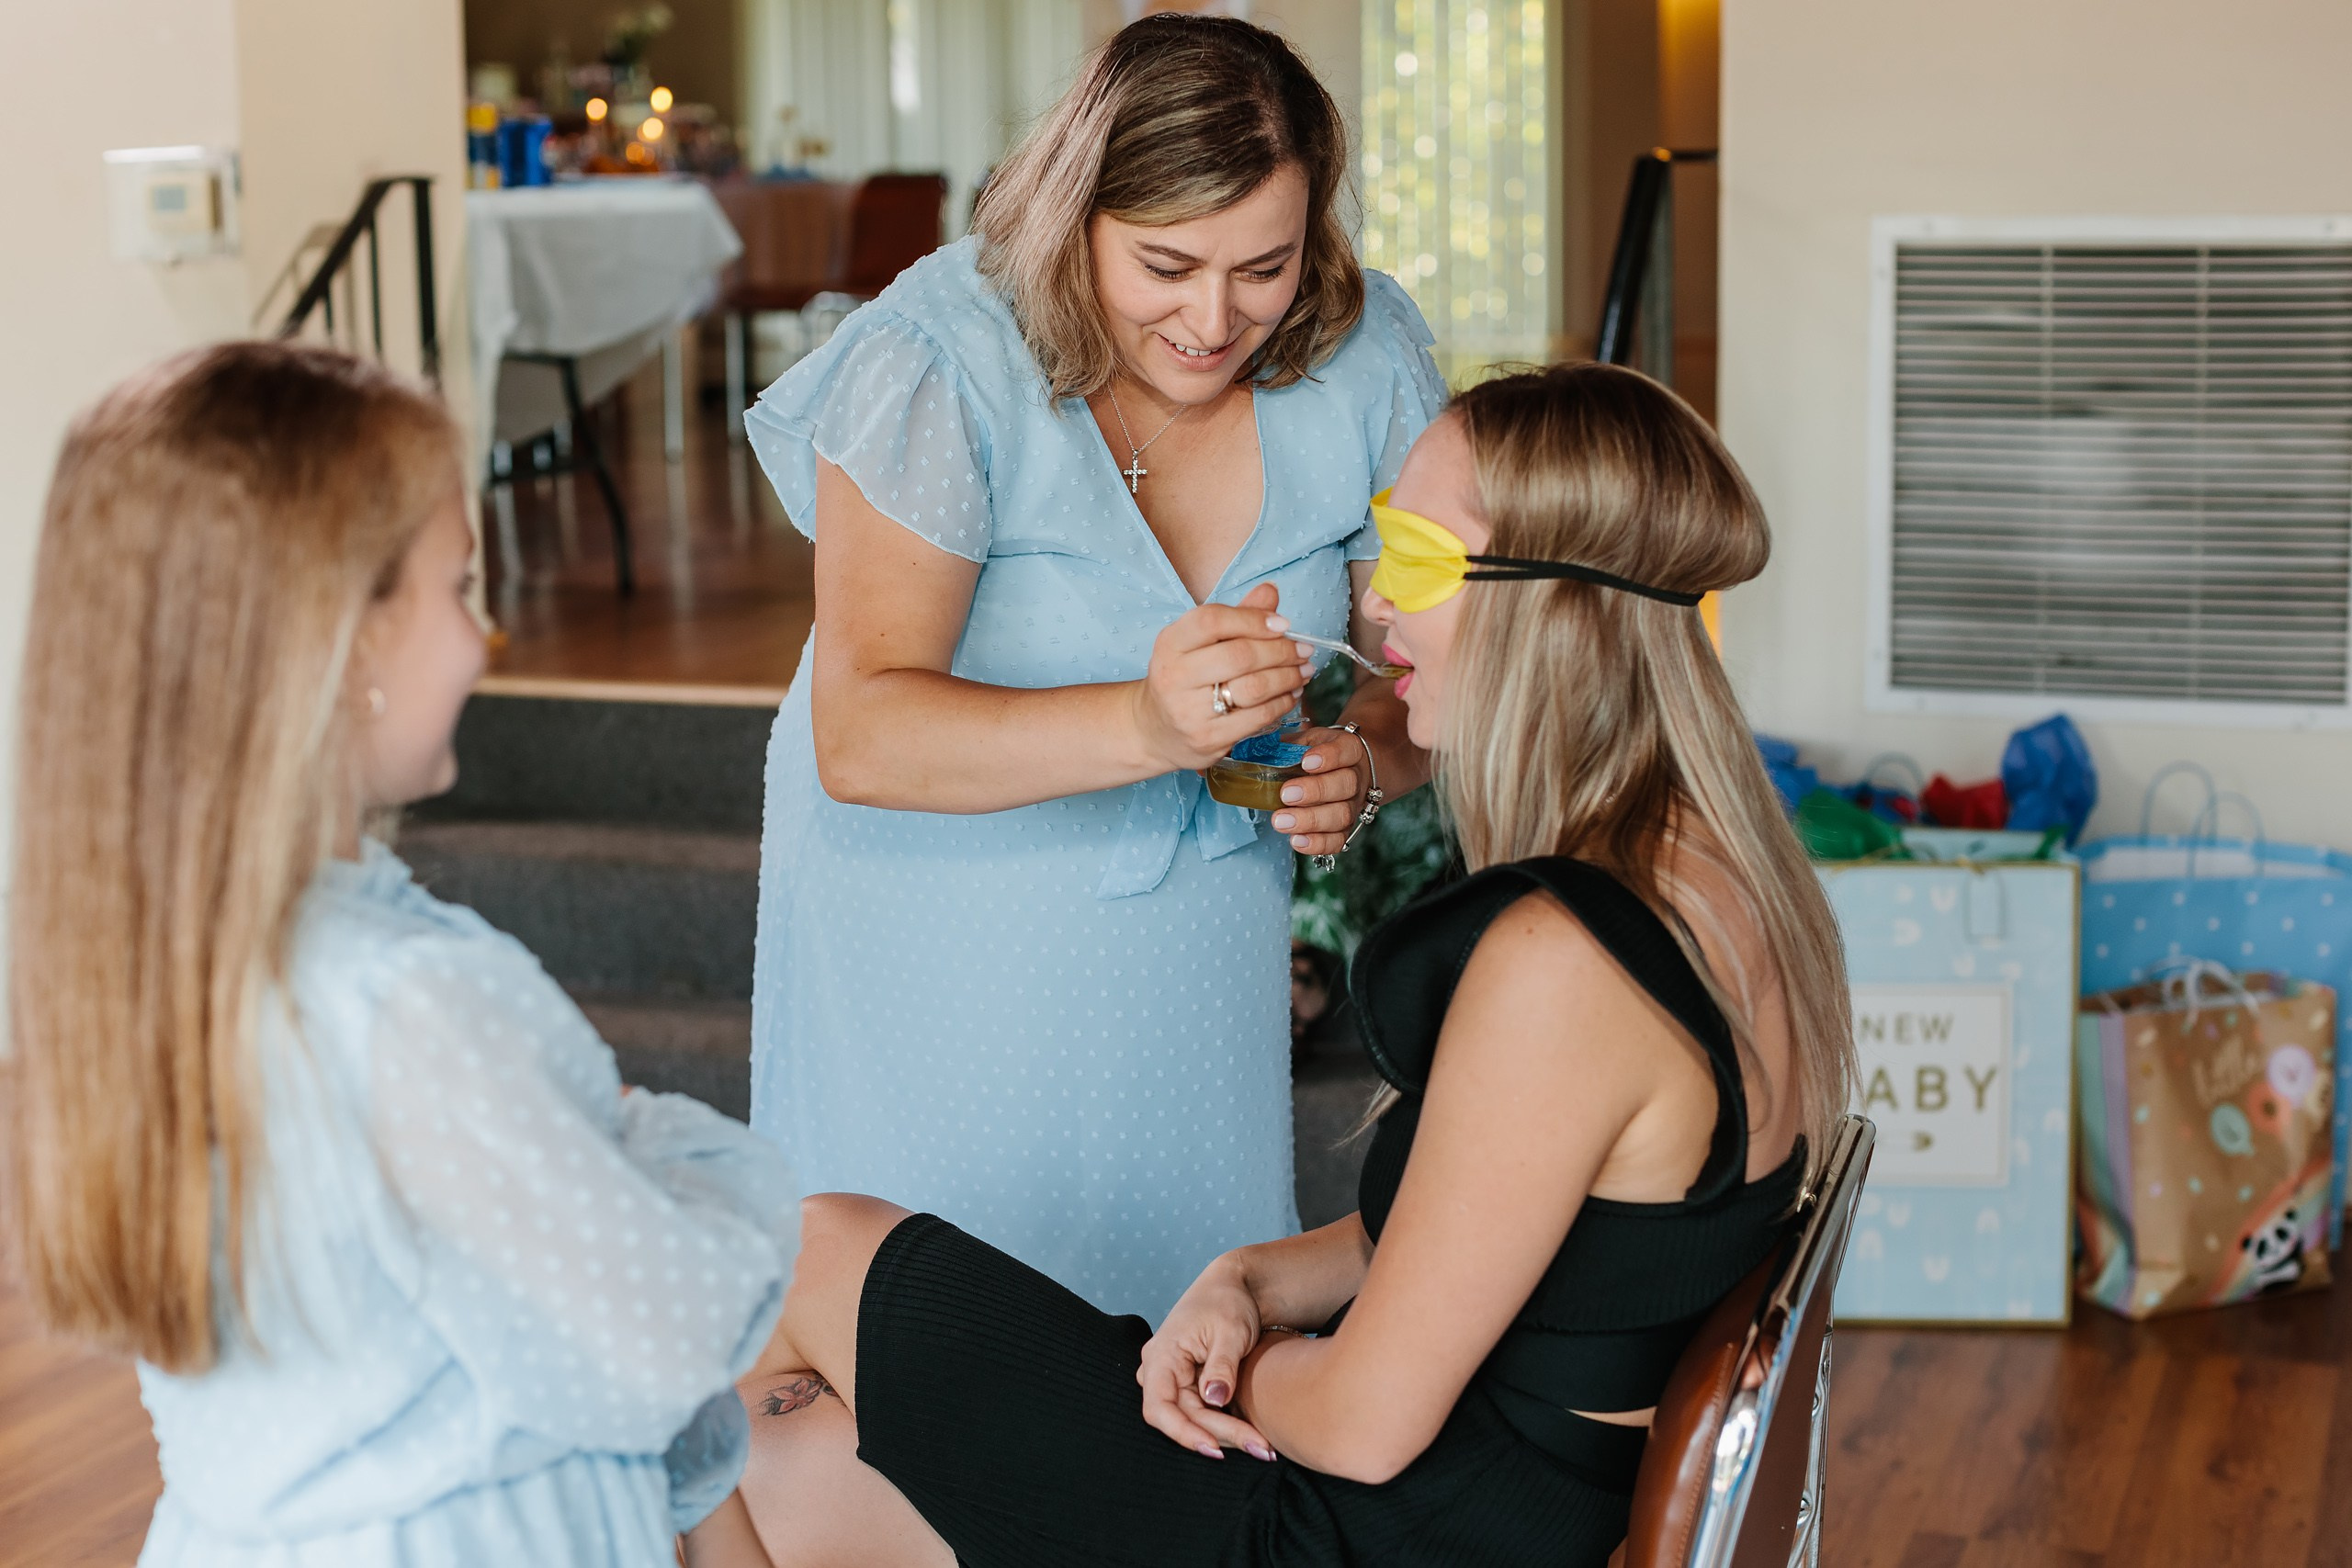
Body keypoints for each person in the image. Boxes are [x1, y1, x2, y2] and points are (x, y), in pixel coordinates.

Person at [729, 363, 1860, 1567]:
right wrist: (1249, 1280)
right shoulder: (1725, 887)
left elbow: (1368, 1426)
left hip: (1362, 1529)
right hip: (1469, 1508)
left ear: (1553, 603)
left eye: (1416, 562)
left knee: (773, 1367)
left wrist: (1239, 1368)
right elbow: (1518, 1233)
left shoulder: (1565, 966)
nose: (1377, 616)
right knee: (780, 1425)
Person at [4, 342, 790, 1568]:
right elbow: (676, 1331)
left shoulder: (169, 964)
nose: (488, 639)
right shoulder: (401, 1001)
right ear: (342, 638)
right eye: (458, 588)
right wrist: (657, 1145)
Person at [741, 13, 1445, 1323]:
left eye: (1264, 266)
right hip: (933, 912)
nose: (1214, 317)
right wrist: (1144, 719)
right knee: (940, 1337)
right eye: (1165, 264)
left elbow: (1430, 656)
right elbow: (865, 736)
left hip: (1197, 921)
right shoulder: (942, 357)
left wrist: (1370, 762)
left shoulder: (1364, 353)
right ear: (1077, 218)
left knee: (1169, 1310)